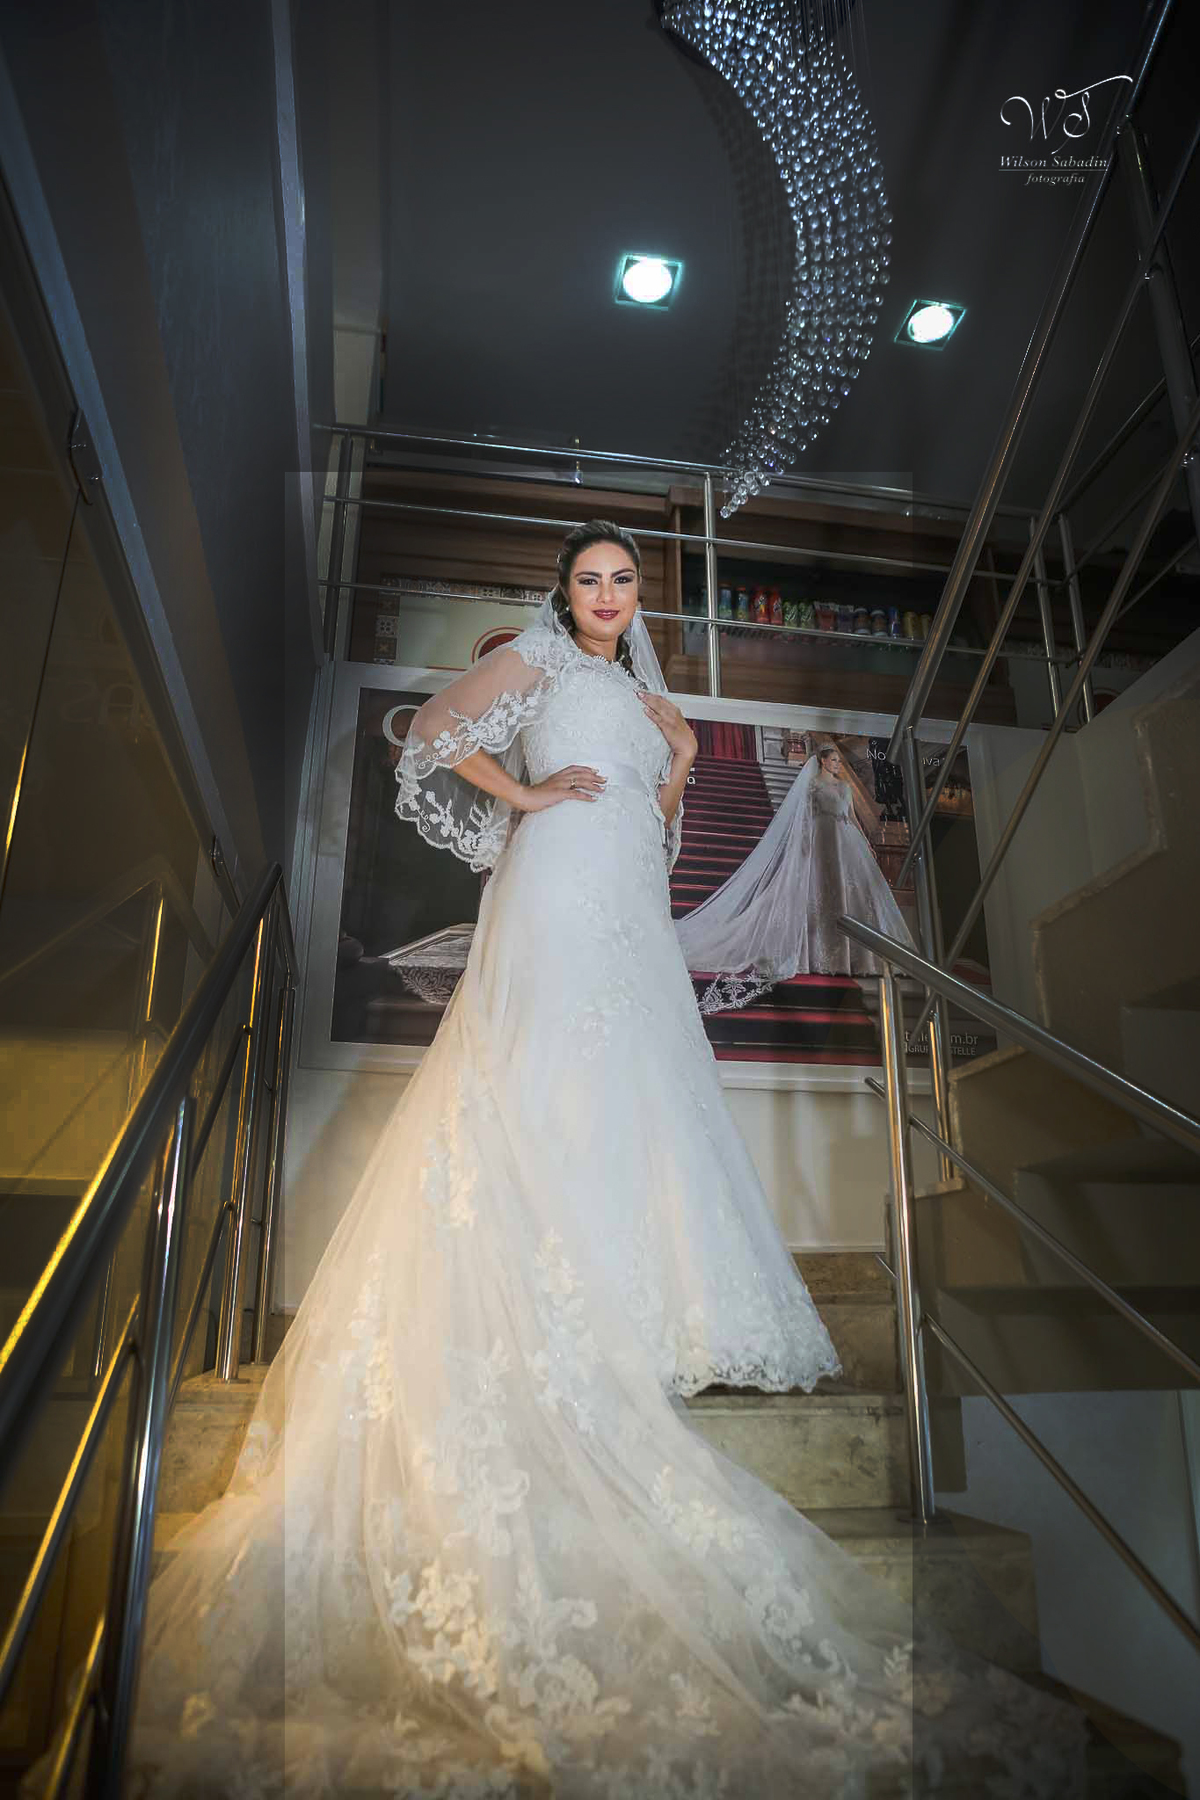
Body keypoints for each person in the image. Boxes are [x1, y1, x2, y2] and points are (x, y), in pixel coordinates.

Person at [60, 521, 1083, 1798]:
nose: (608, 595)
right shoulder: (540, 663)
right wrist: (529, 798)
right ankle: (529, 1281)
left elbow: (657, 839)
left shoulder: (648, 695)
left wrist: (685, 762)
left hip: (627, 906)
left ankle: (618, 1293)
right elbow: (428, 731)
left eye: (623, 581)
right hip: (550, 887)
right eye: (591, 579)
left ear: (637, 595)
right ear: (564, 594)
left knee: (630, 1088)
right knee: (537, 1073)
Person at [675, 737, 918, 1015]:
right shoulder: (813, 786)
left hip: (847, 845)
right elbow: (804, 820)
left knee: (852, 898)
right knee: (821, 896)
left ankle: (854, 958)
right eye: (835, 760)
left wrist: (867, 845)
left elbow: (850, 818)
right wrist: (804, 849)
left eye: (840, 761)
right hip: (822, 844)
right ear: (823, 761)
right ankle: (815, 954)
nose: (838, 764)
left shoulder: (845, 787)